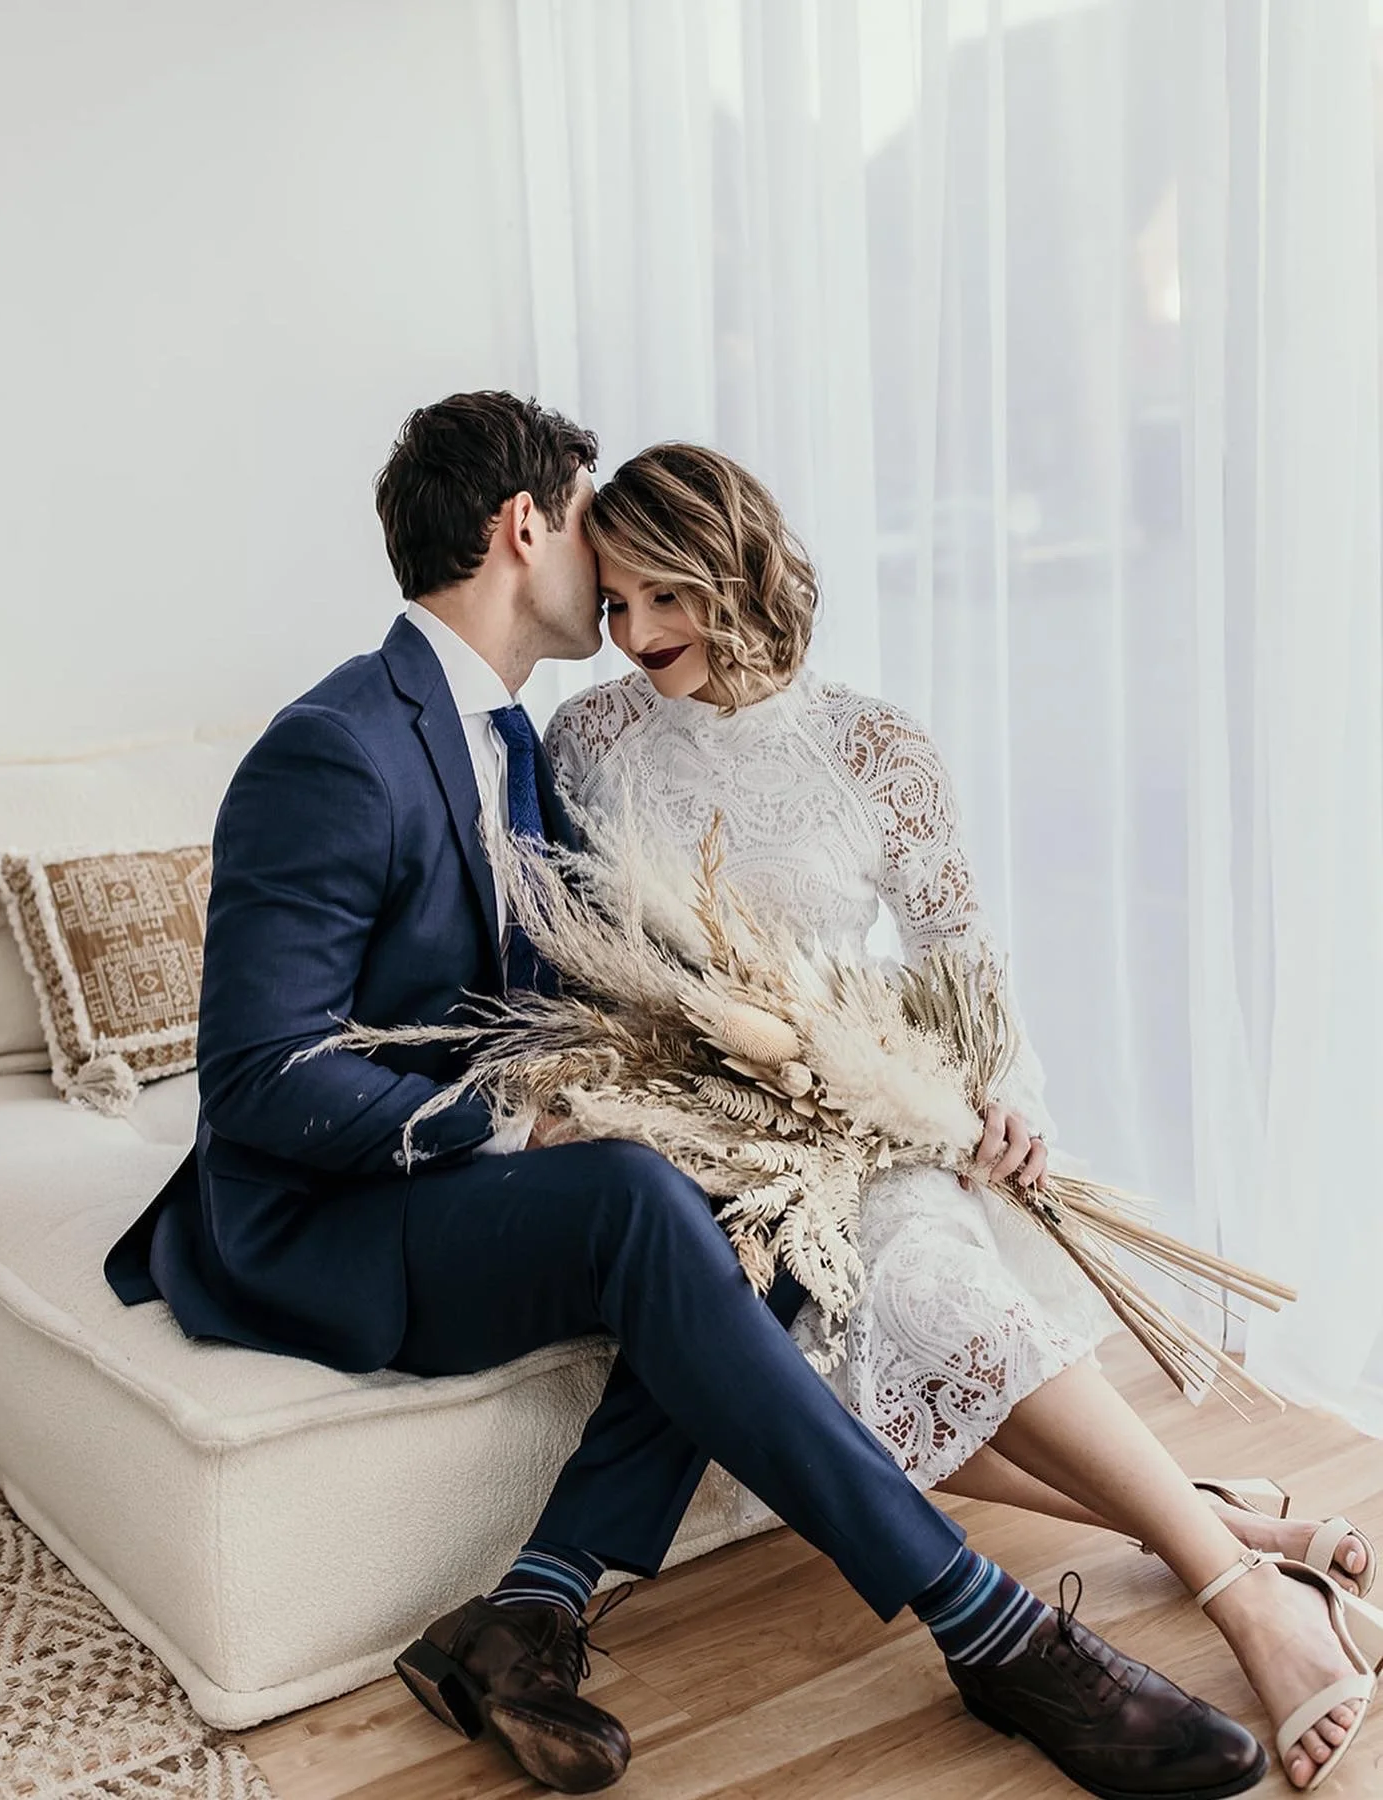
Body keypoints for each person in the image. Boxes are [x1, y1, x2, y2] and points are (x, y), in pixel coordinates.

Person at [106, 394, 1269, 1799]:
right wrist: (526, 1122)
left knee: (765, 1210)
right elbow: (254, 1077)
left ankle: (525, 1616)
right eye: (591, 523)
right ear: (524, 527)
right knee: (637, 1197)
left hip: (463, 1183)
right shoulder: (337, 744)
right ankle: (993, 1628)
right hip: (316, 1217)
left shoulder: (534, 743)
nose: (607, 568)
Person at [542, 439, 1381, 1794]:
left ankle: (1247, 1601)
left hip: (875, 1120)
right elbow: (581, 960)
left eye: (667, 598)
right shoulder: (585, 743)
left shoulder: (874, 744)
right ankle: (1219, 1519)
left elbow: (960, 956)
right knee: (818, 1404)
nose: (636, 635)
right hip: (709, 1148)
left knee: (928, 1302)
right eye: (618, 602)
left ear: (738, 571)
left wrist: (1007, 1102)